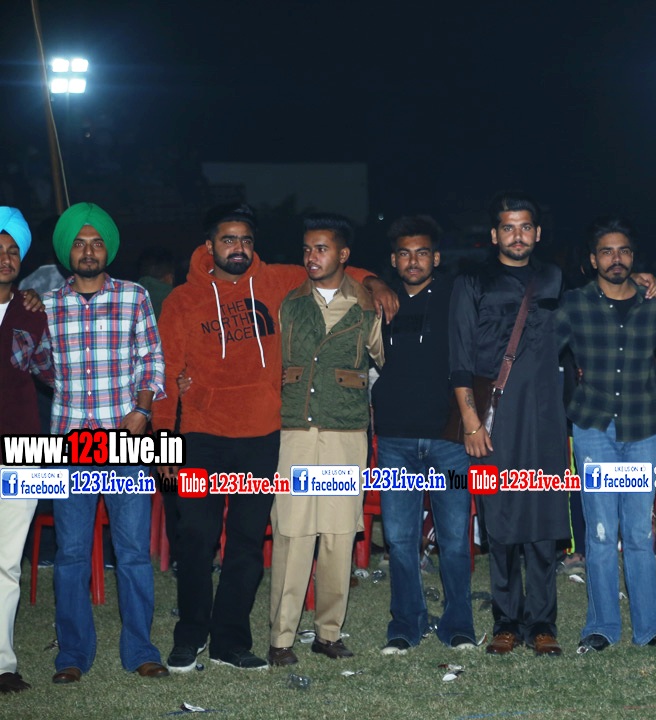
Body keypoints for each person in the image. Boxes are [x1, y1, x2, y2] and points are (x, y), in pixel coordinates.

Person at [153, 203, 397, 671]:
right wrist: (165, 444)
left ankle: (230, 642)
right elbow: (166, 376)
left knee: (247, 543)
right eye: (228, 239)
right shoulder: (182, 300)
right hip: (201, 437)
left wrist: (376, 282)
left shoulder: (276, 280)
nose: (238, 248)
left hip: (263, 435)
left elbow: (335, 268)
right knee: (196, 539)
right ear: (209, 245)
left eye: (246, 240)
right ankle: (190, 636)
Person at [13, 202, 168, 682]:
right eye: (79, 244)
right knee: (72, 554)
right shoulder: (47, 304)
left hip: (125, 442)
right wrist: (26, 307)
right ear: (67, 252)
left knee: (133, 552)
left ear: (108, 249)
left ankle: (141, 650)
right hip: (70, 444)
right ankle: (72, 655)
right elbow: (36, 366)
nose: (87, 251)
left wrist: (142, 411)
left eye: (96, 242)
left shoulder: (135, 296)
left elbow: (152, 360)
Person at [555, 215, 656, 652]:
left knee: (639, 533)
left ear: (633, 257)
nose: (616, 258)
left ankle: (650, 628)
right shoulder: (575, 304)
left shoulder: (654, 305)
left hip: (641, 428)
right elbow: (541, 352)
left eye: (624, 251)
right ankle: (602, 627)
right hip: (593, 427)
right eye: (607, 251)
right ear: (593, 260)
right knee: (600, 532)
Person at [449, 192, 570, 656]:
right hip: (493, 418)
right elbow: (459, 357)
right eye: (508, 227)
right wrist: (470, 420)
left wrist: (644, 281)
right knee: (499, 518)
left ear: (536, 233)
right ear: (494, 234)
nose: (517, 235)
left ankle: (542, 623)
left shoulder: (554, 277)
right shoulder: (472, 281)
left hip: (545, 418)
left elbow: (594, 305)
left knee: (542, 518)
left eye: (525, 227)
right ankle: (506, 621)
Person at [268, 213, 383, 666]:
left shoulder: (367, 305)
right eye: (307, 249)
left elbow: (383, 361)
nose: (311, 257)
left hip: (344, 433)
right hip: (295, 432)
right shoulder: (289, 302)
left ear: (343, 254)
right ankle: (281, 638)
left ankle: (328, 633)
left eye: (321, 248)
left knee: (338, 534)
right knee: (292, 532)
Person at [375, 215, 478, 654]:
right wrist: (372, 283)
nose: (413, 261)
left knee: (454, 539)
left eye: (422, 253)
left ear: (436, 258)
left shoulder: (456, 294)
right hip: (395, 439)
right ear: (393, 259)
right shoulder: (380, 299)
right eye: (404, 254)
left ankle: (458, 624)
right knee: (400, 540)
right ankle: (406, 623)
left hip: (448, 440)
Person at [0, 207, 45, 693]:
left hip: (24, 451)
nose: (5, 257)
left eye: (13, 250)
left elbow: (52, 372)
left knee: (8, 563)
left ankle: (3, 665)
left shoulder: (33, 312)